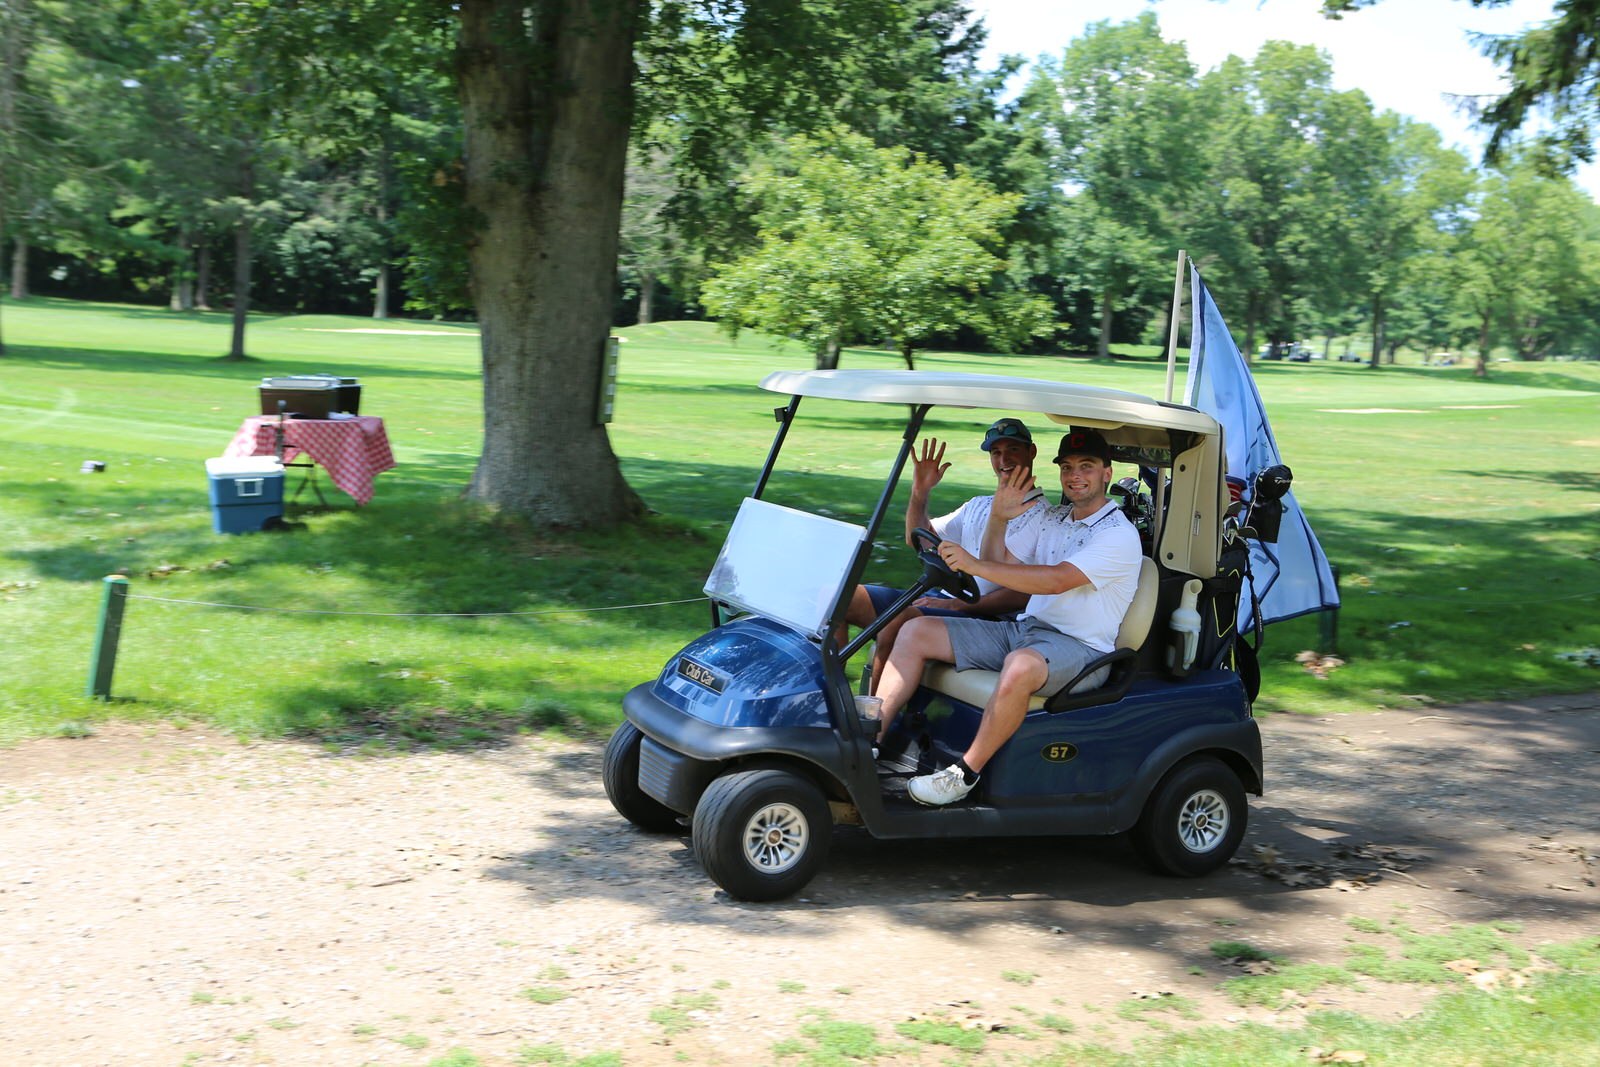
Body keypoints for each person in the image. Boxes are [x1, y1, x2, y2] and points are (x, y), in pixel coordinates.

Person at [871, 427, 1143, 806]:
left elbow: (1056, 580)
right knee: (916, 630)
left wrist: (972, 563)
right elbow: (998, 566)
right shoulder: (1056, 519)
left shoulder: (1118, 534)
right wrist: (998, 518)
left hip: (1081, 650)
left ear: (1107, 473)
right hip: (1027, 630)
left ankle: (963, 774)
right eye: (1067, 467)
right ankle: (869, 742)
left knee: (1020, 665)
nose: (1075, 476)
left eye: (1087, 466)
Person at [844, 418, 1049, 690]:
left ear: (1031, 452)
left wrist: (960, 606)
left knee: (897, 620)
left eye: (1013, 449)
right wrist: (920, 492)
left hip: (985, 616)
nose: (1003, 460)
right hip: (942, 598)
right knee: (842, 597)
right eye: (996, 452)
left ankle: (871, 712)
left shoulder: (1044, 517)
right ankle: (827, 702)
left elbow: (1027, 593)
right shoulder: (978, 505)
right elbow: (919, 539)